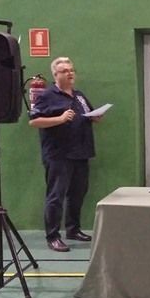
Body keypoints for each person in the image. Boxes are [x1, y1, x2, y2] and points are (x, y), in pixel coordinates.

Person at [29, 57, 102, 252]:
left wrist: (95, 117)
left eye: (71, 70)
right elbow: (34, 121)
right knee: (56, 196)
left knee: (78, 194)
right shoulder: (47, 95)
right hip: (58, 155)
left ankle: (73, 229)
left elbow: (89, 114)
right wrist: (59, 119)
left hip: (81, 152)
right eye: (65, 71)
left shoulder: (79, 96)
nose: (70, 73)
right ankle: (53, 236)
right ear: (55, 75)